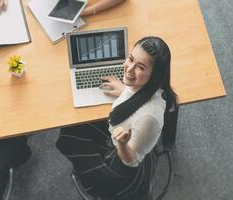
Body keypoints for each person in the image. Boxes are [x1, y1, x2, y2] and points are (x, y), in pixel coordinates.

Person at [56, 36, 177, 199]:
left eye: (140, 67)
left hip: (121, 164)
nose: (129, 69)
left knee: (71, 135)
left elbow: (131, 161)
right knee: (76, 124)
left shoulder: (148, 118)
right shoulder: (147, 88)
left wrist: (121, 144)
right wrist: (125, 90)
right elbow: (138, 97)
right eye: (130, 58)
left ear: (154, 75)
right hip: (125, 138)